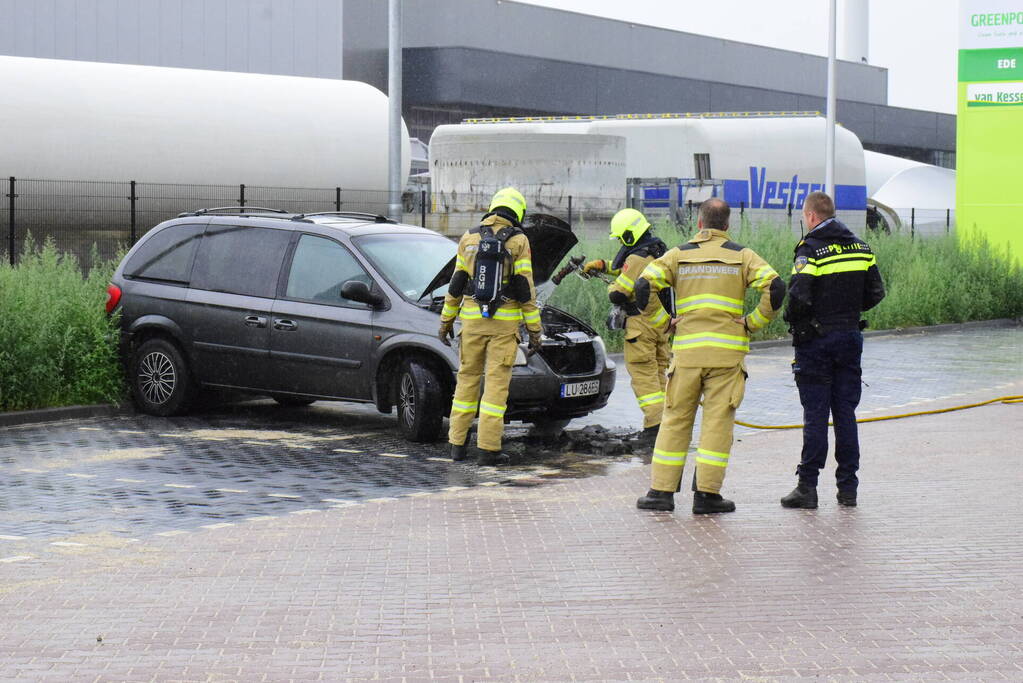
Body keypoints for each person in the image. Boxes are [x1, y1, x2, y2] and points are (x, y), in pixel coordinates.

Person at [634, 198, 786, 514]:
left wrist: (665, 323)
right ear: (727, 226)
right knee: (717, 424)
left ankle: (660, 493)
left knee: (675, 420)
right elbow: (777, 287)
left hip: (687, 354)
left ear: (699, 223)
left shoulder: (678, 255)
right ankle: (706, 496)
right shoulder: (742, 256)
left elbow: (641, 287)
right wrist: (752, 323)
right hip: (726, 357)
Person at [780, 191, 885, 509]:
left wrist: (797, 321)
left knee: (815, 415)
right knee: (845, 414)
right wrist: (848, 313)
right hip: (849, 337)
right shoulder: (862, 247)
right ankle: (848, 489)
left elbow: (798, 297)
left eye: (804, 215)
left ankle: (807, 488)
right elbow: (876, 292)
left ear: (811, 216)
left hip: (817, 342)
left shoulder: (810, 249)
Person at [438, 187, 542, 466]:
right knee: (495, 390)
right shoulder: (519, 240)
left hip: (470, 324)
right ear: (517, 211)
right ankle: (488, 450)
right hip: (503, 328)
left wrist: (446, 321)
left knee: (466, 383)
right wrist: (535, 331)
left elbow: (456, 284)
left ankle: (456, 445)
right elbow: (525, 290)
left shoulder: (469, 237)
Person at [581, 208, 671, 442]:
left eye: (622, 237)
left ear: (629, 235)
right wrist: (603, 265)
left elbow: (619, 293)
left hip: (641, 326)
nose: (621, 241)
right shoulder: (655, 250)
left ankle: (653, 431)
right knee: (660, 377)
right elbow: (629, 267)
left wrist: (612, 286)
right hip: (660, 324)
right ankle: (667, 428)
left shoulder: (638, 257)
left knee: (644, 378)